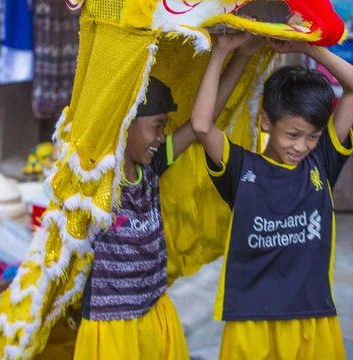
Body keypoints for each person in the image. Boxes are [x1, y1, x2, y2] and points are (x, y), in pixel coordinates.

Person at [74, 36, 262, 360]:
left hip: (155, 313)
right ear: (125, 123)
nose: (162, 137)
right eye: (157, 126)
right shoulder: (99, 180)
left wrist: (236, 56)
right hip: (112, 328)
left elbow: (201, 124)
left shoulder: (152, 167)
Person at [191, 34, 353, 360]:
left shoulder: (321, 162)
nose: (301, 146)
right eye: (292, 134)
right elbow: (201, 126)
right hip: (250, 321)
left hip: (312, 316)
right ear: (266, 121)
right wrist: (222, 50)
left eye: (313, 136)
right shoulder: (240, 168)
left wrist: (307, 48)